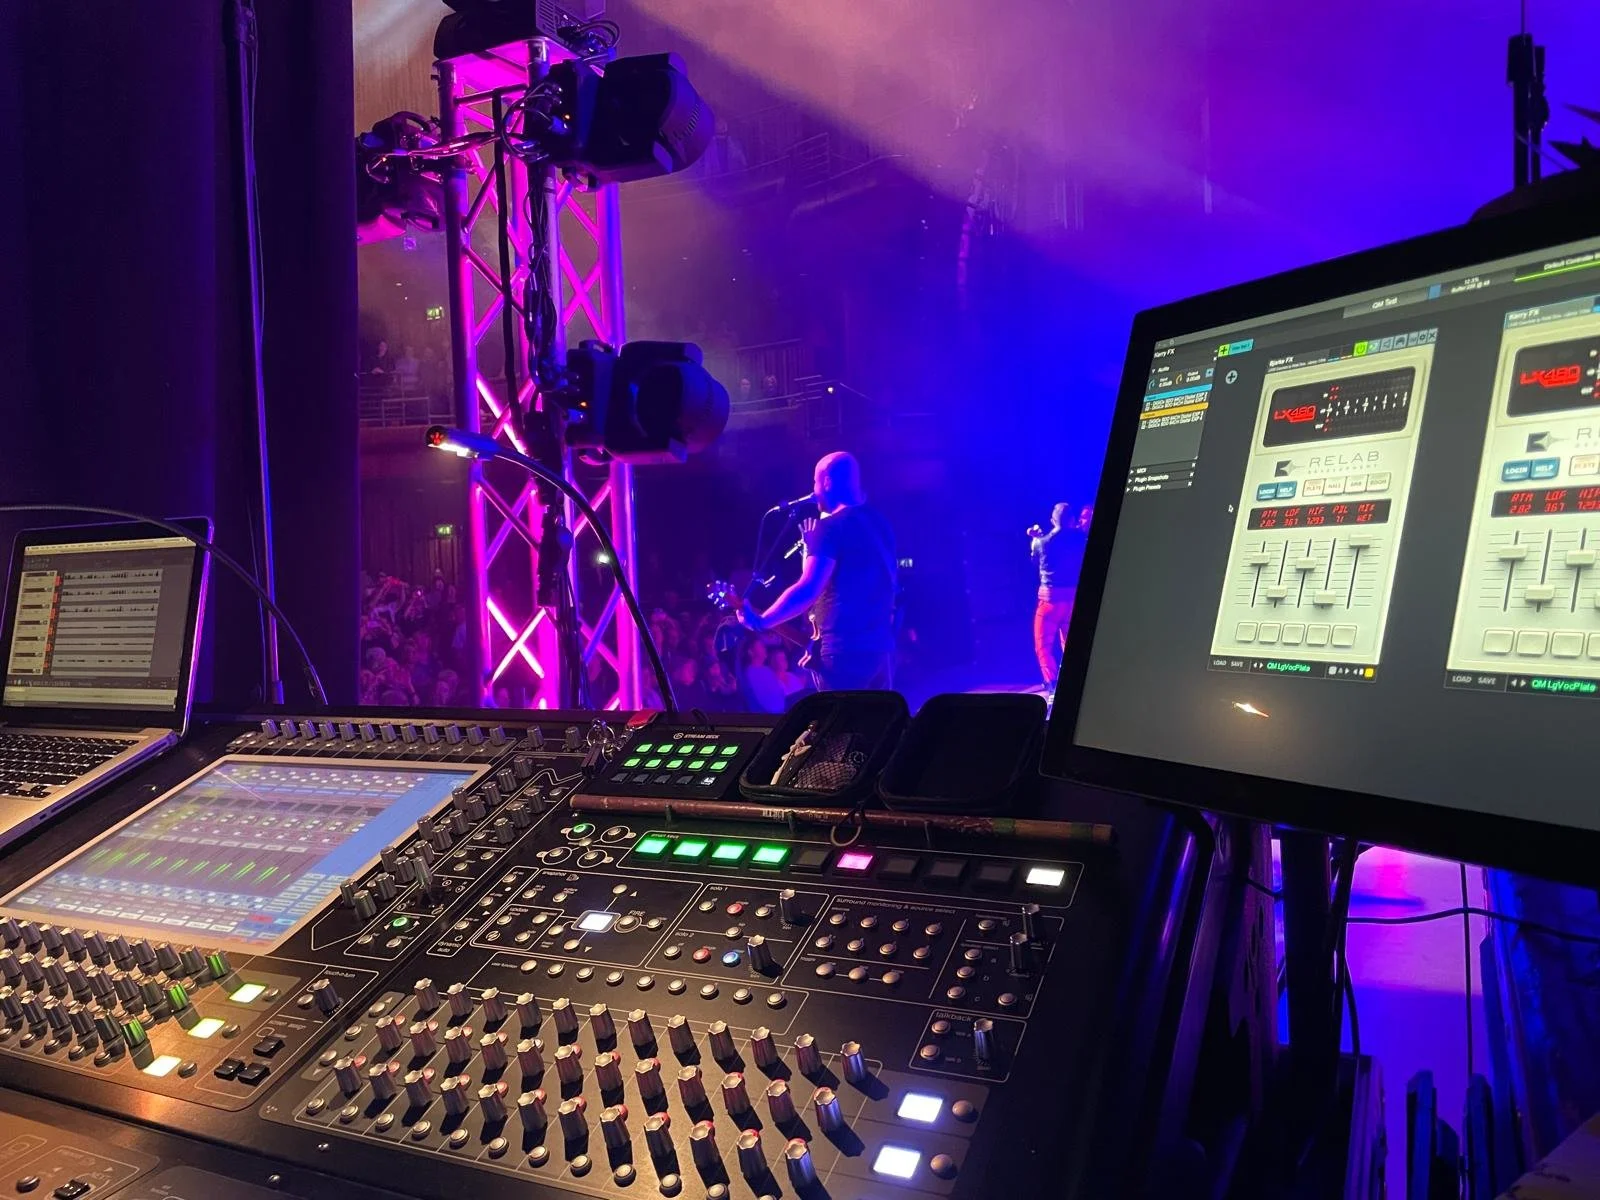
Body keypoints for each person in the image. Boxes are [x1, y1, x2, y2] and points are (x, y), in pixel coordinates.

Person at [739, 452, 897, 691]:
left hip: (843, 654)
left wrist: (762, 621)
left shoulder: (830, 527)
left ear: (827, 482)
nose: (813, 490)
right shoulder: (880, 523)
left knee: (842, 726)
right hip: (880, 650)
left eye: (814, 481)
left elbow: (808, 588)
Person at [1028, 502, 1093, 692]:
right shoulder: (1082, 540)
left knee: (1043, 646)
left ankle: (1054, 687)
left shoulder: (1042, 542)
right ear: (1072, 520)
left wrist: (1035, 539)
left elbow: (1034, 561)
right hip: (1073, 600)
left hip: (1049, 602)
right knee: (1070, 645)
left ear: (1052, 520)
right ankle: (1075, 684)